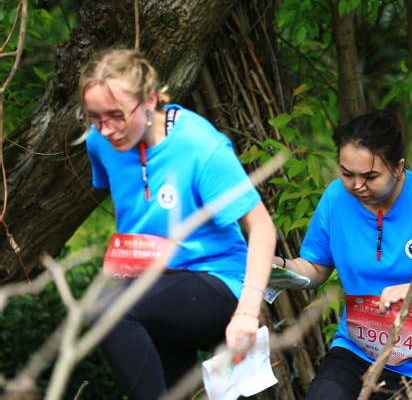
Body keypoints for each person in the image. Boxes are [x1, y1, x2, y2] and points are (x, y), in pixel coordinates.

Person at [80, 49, 276, 400]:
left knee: (107, 308)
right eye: (94, 117)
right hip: (155, 286)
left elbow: (262, 228)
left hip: (216, 283)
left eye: (116, 116)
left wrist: (248, 311)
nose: (106, 129)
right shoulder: (99, 141)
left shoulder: (201, 147)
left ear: (151, 100)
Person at [274, 110, 412, 399]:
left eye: (370, 176)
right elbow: (314, 267)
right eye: (347, 173)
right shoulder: (336, 197)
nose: (357, 186)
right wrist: (280, 267)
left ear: (398, 167)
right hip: (358, 350)